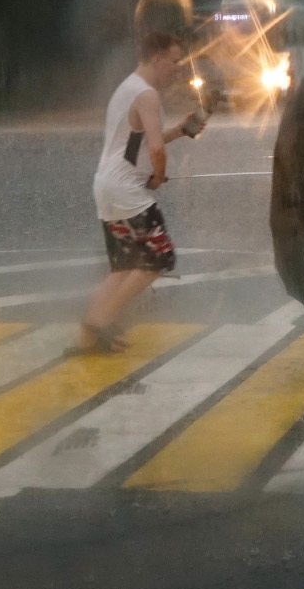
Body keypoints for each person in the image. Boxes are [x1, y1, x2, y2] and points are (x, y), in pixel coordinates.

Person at [72, 30, 208, 355]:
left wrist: (181, 130)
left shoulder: (128, 88)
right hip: (125, 190)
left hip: (107, 186)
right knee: (159, 258)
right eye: (174, 61)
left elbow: (141, 143)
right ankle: (102, 320)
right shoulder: (146, 95)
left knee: (123, 267)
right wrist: (159, 177)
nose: (177, 68)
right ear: (157, 57)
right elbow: (155, 150)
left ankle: (86, 340)